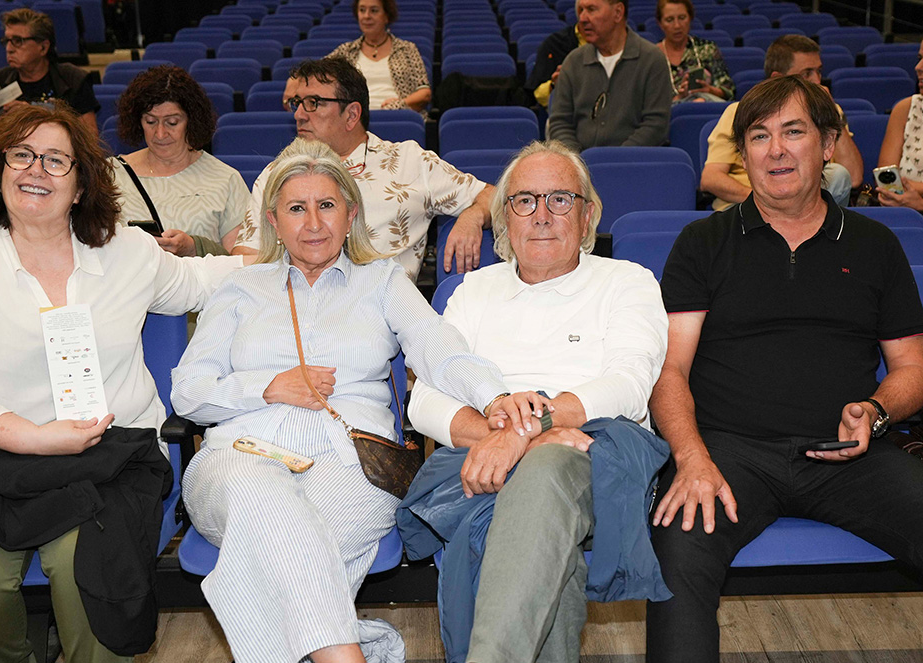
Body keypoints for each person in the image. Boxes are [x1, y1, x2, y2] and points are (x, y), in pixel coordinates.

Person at [171, 137, 545, 663]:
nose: (313, 223)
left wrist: (493, 397)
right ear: (273, 221)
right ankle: (350, 651)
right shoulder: (239, 288)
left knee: (289, 552)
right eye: (296, 209)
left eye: (326, 205)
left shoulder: (383, 281)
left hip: (354, 462)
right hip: (240, 456)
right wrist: (266, 387)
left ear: (350, 215)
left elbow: (440, 349)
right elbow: (188, 391)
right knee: (267, 506)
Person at [0, 103, 248, 663]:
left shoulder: (124, 251)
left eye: (56, 160)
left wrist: (292, 254)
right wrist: (32, 437)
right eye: (21, 155)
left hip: (113, 455)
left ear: (80, 187)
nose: (36, 169)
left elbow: (200, 280)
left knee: (90, 575)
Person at [646, 75, 923, 663]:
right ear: (743, 154)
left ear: (827, 145)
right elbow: (669, 372)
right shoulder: (703, 242)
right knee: (678, 549)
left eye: (793, 132)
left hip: (849, 455)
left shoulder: (875, 245)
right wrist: (691, 459)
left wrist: (876, 411)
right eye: (758, 136)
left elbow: (912, 367)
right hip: (729, 454)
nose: (775, 150)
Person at [403, 141, 670, 663]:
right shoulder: (472, 291)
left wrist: (524, 433)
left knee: (546, 469)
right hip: (485, 456)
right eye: (525, 200)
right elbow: (427, 397)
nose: (542, 215)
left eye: (560, 199)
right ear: (505, 216)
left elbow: (629, 384)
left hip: (601, 452)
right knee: (546, 545)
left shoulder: (626, 282)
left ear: (587, 214)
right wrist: (513, 438)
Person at [233, 58, 494, 281]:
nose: (299, 114)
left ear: (351, 114)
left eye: (313, 102)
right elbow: (245, 257)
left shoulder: (410, 163)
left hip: (381, 313)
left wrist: (473, 216)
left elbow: (495, 197)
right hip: (293, 310)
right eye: (297, 103)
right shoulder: (277, 173)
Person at [701, 34, 863, 209]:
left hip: (809, 204)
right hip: (746, 207)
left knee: (838, 174)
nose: (817, 81)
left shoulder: (831, 111)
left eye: (819, 71)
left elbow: (853, 178)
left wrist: (831, 113)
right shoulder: (738, 112)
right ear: (777, 78)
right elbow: (711, 179)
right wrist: (768, 202)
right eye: (806, 73)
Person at [112, 65, 250, 257]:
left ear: (191, 121)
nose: (160, 133)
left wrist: (195, 248)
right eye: (150, 122)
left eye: (172, 122)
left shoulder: (226, 179)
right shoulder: (111, 174)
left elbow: (242, 261)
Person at [0, 8, 99, 157]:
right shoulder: (0, 80)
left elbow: (90, 140)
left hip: (59, 159)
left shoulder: (72, 79)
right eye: (7, 41)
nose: (9, 49)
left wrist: (32, 114)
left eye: (18, 41)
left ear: (43, 47)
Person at [547, 0, 671, 151]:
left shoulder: (652, 59)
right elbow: (560, 123)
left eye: (591, 9)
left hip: (635, 160)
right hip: (581, 161)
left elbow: (656, 125)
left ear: (618, 13)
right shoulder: (573, 62)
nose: (583, 18)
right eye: (581, 10)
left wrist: (616, 158)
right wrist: (578, 160)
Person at [327, 0, 431, 115]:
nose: (366, 16)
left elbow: (424, 93)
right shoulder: (346, 51)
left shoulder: (406, 49)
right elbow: (318, 77)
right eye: (362, 10)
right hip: (355, 119)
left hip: (397, 117)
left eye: (374, 11)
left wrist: (400, 104)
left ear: (387, 16)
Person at [875, 38, 923, 210]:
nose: (918, 67)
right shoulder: (905, 109)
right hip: (900, 210)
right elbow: (886, 180)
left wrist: (920, 204)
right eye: (920, 58)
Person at [656, 0, 734, 103]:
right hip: (670, 110)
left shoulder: (707, 49)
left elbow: (728, 91)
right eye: (669, 20)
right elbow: (648, 101)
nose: (677, 25)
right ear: (660, 24)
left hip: (706, 105)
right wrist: (679, 97)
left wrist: (709, 90)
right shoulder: (652, 56)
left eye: (682, 18)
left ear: (690, 18)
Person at [525, 0, 589, 108]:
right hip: (568, 110)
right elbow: (537, 94)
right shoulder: (555, 44)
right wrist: (554, 85)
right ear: (580, 13)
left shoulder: (618, 45)